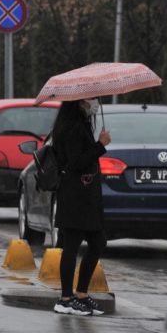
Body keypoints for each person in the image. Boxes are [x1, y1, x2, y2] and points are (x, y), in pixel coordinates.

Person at [51, 99, 111, 316]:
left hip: (86, 195)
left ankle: (82, 294)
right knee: (72, 245)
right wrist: (100, 145)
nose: (94, 103)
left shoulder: (81, 123)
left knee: (98, 241)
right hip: (74, 194)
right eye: (90, 100)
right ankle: (65, 299)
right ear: (78, 102)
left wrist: (97, 144)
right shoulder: (71, 128)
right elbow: (76, 162)